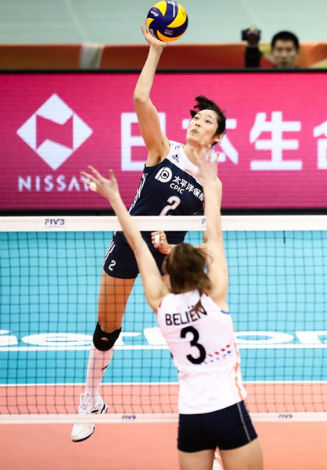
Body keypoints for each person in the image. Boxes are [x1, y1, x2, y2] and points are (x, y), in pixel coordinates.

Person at [71, 25, 226, 443]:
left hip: (169, 258)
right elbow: (141, 99)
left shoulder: (211, 181)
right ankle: (91, 399)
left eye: (207, 121)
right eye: (196, 117)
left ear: (217, 136)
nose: (197, 123)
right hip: (130, 242)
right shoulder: (163, 149)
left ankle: (209, 412)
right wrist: (155, 50)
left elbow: (210, 238)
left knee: (186, 333)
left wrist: (173, 247)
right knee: (107, 328)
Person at [81, 155, 263, 470]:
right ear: (202, 273)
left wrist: (114, 198)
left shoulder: (162, 307)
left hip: (191, 417)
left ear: (168, 275)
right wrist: (212, 185)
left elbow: (138, 245)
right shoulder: (216, 299)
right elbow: (214, 237)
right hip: (228, 410)